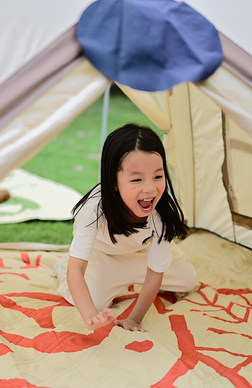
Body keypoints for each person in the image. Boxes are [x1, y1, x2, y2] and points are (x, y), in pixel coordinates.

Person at [57, 123, 198, 332]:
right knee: (88, 301)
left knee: (189, 282)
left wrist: (134, 318)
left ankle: (134, 271)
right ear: (114, 180)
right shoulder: (93, 210)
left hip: (142, 253)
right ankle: (61, 266)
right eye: (137, 179)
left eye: (158, 176)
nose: (150, 188)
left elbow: (154, 274)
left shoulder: (161, 215)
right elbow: (77, 270)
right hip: (104, 257)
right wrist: (91, 316)